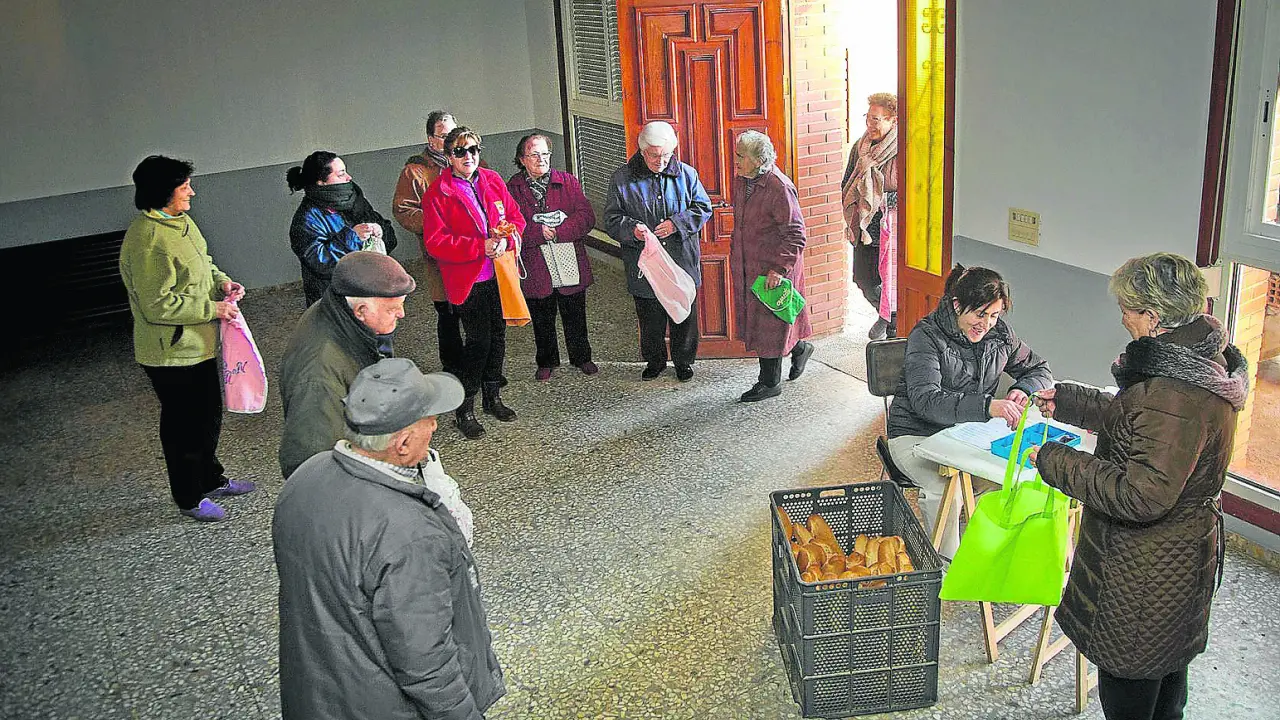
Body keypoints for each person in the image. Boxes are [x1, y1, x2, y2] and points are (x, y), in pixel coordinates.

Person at [1028, 253, 1248, 720]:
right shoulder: (1198, 360)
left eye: (1127, 308)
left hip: (1145, 570)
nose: (1122, 318)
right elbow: (1150, 428)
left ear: (1152, 317)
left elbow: (1141, 495)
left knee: (1132, 690)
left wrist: (1054, 460)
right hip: (1180, 556)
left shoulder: (1172, 391)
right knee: (1165, 678)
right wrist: (1072, 402)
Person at [273, 357, 504, 720]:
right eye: (428, 420)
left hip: (318, 691)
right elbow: (428, 665)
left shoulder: (307, 474)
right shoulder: (409, 534)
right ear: (403, 443)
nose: (435, 425)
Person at [119, 155, 256, 522]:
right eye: (184, 187)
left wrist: (223, 283)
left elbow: (204, 264)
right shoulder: (148, 239)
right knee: (183, 428)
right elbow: (156, 305)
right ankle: (189, 497)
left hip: (198, 345)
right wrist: (213, 309)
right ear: (164, 192)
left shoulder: (181, 222)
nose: (191, 192)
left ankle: (210, 480)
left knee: (207, 419)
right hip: (171, 354)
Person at [886, 265, 1053, 557]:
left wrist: (1024, 389)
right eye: (979, 314)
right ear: (956, 305)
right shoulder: (926, 335)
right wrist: (987, 406)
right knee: (945, 490)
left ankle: (980, 553)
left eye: (994, 315)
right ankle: (945, 563)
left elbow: (1039, 369)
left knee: (1007, 477)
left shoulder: (1001, 334)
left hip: (967, 433)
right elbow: (926, 401)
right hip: (915, 434)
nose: (986, 324)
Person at [423, 126, 527, 440]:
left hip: (500, 274)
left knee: (498, 336)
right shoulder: (438, 193)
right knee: (478, 342)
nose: (468, 156)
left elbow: (515, 218)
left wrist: (506, 240)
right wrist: (478, 247)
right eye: (460, 151)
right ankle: (464, 407)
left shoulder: (492, 179)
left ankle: (492, 397)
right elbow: (435, 242)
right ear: (448, 156)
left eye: (473, 150)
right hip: (468, 280)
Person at [278, 252, 416, 478]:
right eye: (392, 309)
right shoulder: (319, 374)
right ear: (360, 311)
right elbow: (309, 462)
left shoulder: (336, 311)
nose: (402, 314)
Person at [604, 120, 713, 382]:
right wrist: (633, 230)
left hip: (680, 259)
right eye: (654, 156)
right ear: (642, 151)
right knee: (650, 315)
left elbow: (703, 208)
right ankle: (655, 361)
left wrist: (677, 224)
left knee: (683, 314)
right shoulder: (622, 179)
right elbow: (611, 219)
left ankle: (684, 362)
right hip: (645, 263)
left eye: (666, 155)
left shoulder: (687, 174)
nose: (661, 161)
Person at [729, 131, 815, 402]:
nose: (736, 161)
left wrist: (779, 269)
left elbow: (796, 233)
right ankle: (800, 348)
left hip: (773, 268)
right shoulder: (743, 180)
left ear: (758, 160)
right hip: (750, 264)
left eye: (741, 156)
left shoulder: (779, 187)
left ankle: (769, 383)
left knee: (770, 325)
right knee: (767, 321)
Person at [506, 133, 599, 381]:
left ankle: (582, 357)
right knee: (542, 315)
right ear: (522, 159)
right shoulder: (512, 188)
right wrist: (538, 232)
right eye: (534, 154)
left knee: (575, 313)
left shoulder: (567, 181)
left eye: (545, 153)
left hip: (568, 256)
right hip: (535, 261)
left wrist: (560, 231)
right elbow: (509, 226)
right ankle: (546, 361)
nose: (541, 159)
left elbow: (586, 217)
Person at [392, 110, 466, 377]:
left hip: (473, 253)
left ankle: (478, 365)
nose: (451, 140)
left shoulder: (468, 159)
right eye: (444, 136)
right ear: (431, 139)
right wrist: (438, 221)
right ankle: (453, 368)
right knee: (448, 314)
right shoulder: (416, 170)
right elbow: (403, 210)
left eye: (454, 133)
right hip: (441, 256)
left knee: (475, 311)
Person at [287, 151, 397, 306]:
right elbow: (319, 262)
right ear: (321, 182)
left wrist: (381, 231)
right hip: (334, 301)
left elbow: (390, 239)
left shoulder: (354, 199)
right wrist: (352, 238)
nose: (349, 178)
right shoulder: (307, 219)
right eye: (341, 174)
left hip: (370, 289)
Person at [841, 92, 899, 340]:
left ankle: (893, 324)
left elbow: (910, 190)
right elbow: (847, 181)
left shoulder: (902, 149)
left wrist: (882, 198)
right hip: (865, 225)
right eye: (868, 117)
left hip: (891, 226)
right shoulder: (860, 146)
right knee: (863, 278)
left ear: (893, 120)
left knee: (891, 280)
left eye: (876, 119)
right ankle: (889, 315)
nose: (870, 125)